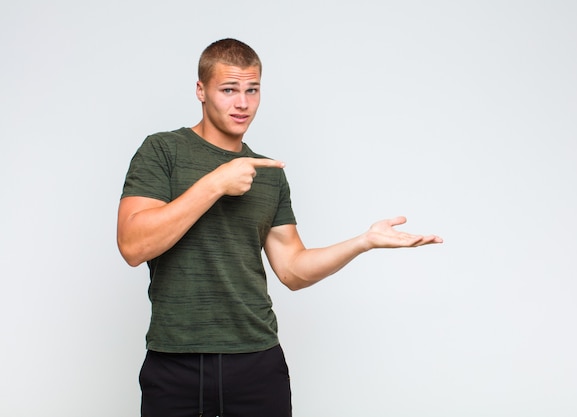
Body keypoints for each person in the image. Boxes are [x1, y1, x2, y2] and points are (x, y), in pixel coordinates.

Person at [117, 38, 443, 417]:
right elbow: (133, 245)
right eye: (229, 90)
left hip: (256, 362)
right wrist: (215, 184)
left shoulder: (268, 174)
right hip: (175, 362)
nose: (242, 103)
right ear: (201, 90)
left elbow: (292, 269)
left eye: (252, 90)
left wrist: (363, 242)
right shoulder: (162, 151)